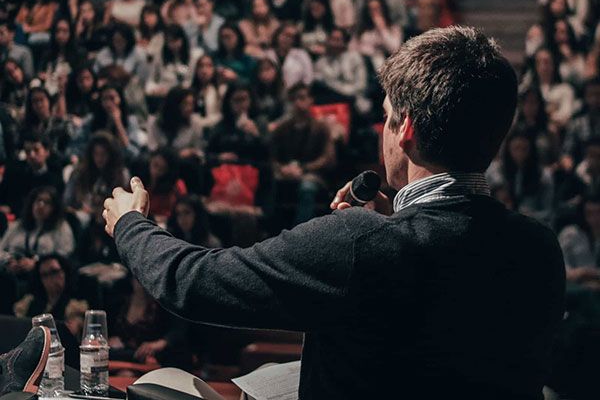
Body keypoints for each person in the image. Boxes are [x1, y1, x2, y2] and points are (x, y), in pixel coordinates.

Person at [103, 26, 565, 399]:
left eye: (385, 116)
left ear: (405, 128)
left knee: (160, 388)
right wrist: (394, 225)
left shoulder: (359, 242)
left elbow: (193, 284)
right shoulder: (539, 248)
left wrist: (130, 224)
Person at [271, 83, 335, 229]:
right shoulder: (282, 128)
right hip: (286, 172)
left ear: (310, 100)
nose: (298, 102)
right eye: (293, 99)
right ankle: (271, 232)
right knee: (271, 183)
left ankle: (299, 233)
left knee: (307, 187)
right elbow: (272, 157)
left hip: (313, 174)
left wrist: (303, 168)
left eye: (302, 98)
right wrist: (283, 169)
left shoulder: (321, 127)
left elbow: (328, 159)